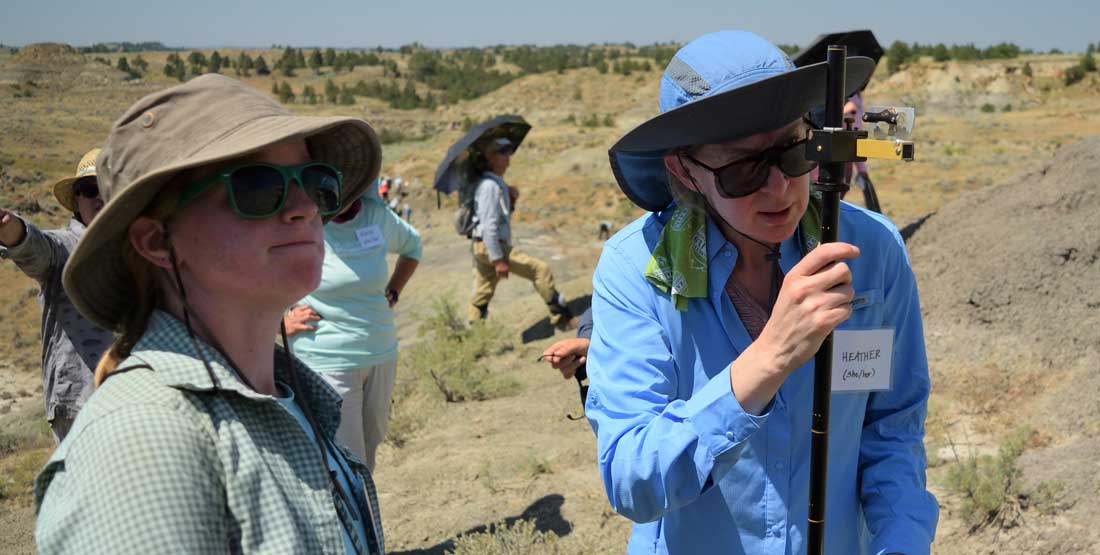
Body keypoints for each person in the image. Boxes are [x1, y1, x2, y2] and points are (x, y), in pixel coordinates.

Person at [587, 31, 937, 554]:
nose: (779, 188)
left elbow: (891, 431)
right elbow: (632, 477)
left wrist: (902, 543)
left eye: (793, 153)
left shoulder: (870, 252)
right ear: (686, 171)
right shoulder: (637, 270)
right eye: (744, 169)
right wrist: (769, 358)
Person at [35, 74, 386, 554]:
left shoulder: (288, 396)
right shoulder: (146, 443)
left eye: (315, 181)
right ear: (157, 241)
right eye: (258, 186)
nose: (305, 206)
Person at [284, 180, 421, 472]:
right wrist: (279, 321)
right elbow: (258, 273)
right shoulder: (302, 223)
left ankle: (363, 516)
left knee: (369, 452)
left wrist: (394, 290)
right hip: (327, 359)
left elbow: (413, 247)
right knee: (347, 461)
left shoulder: (376, 216)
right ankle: (355, 517)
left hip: (381, 352)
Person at [0, 148, 114, 442]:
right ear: (77, 198)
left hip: (134, 397)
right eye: (90, 189)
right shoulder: (63, 247)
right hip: (81, 402)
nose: (99, 196)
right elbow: (33, 247)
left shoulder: (140, 249)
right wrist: (11, 229)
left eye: (108, 185)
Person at [468, 136, 577, 328]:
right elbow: (488, 225)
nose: (508, 157)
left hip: (483, 245)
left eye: (508, 152)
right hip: (491, 246)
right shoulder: (489, 186)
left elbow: (499, 218)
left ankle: (473, 332)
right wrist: (498, 259)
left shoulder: (495, 184)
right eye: (502, 152)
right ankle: (562, 317)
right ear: (490, 157)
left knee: (484, 290)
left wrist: (512, 199)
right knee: (540, 270)